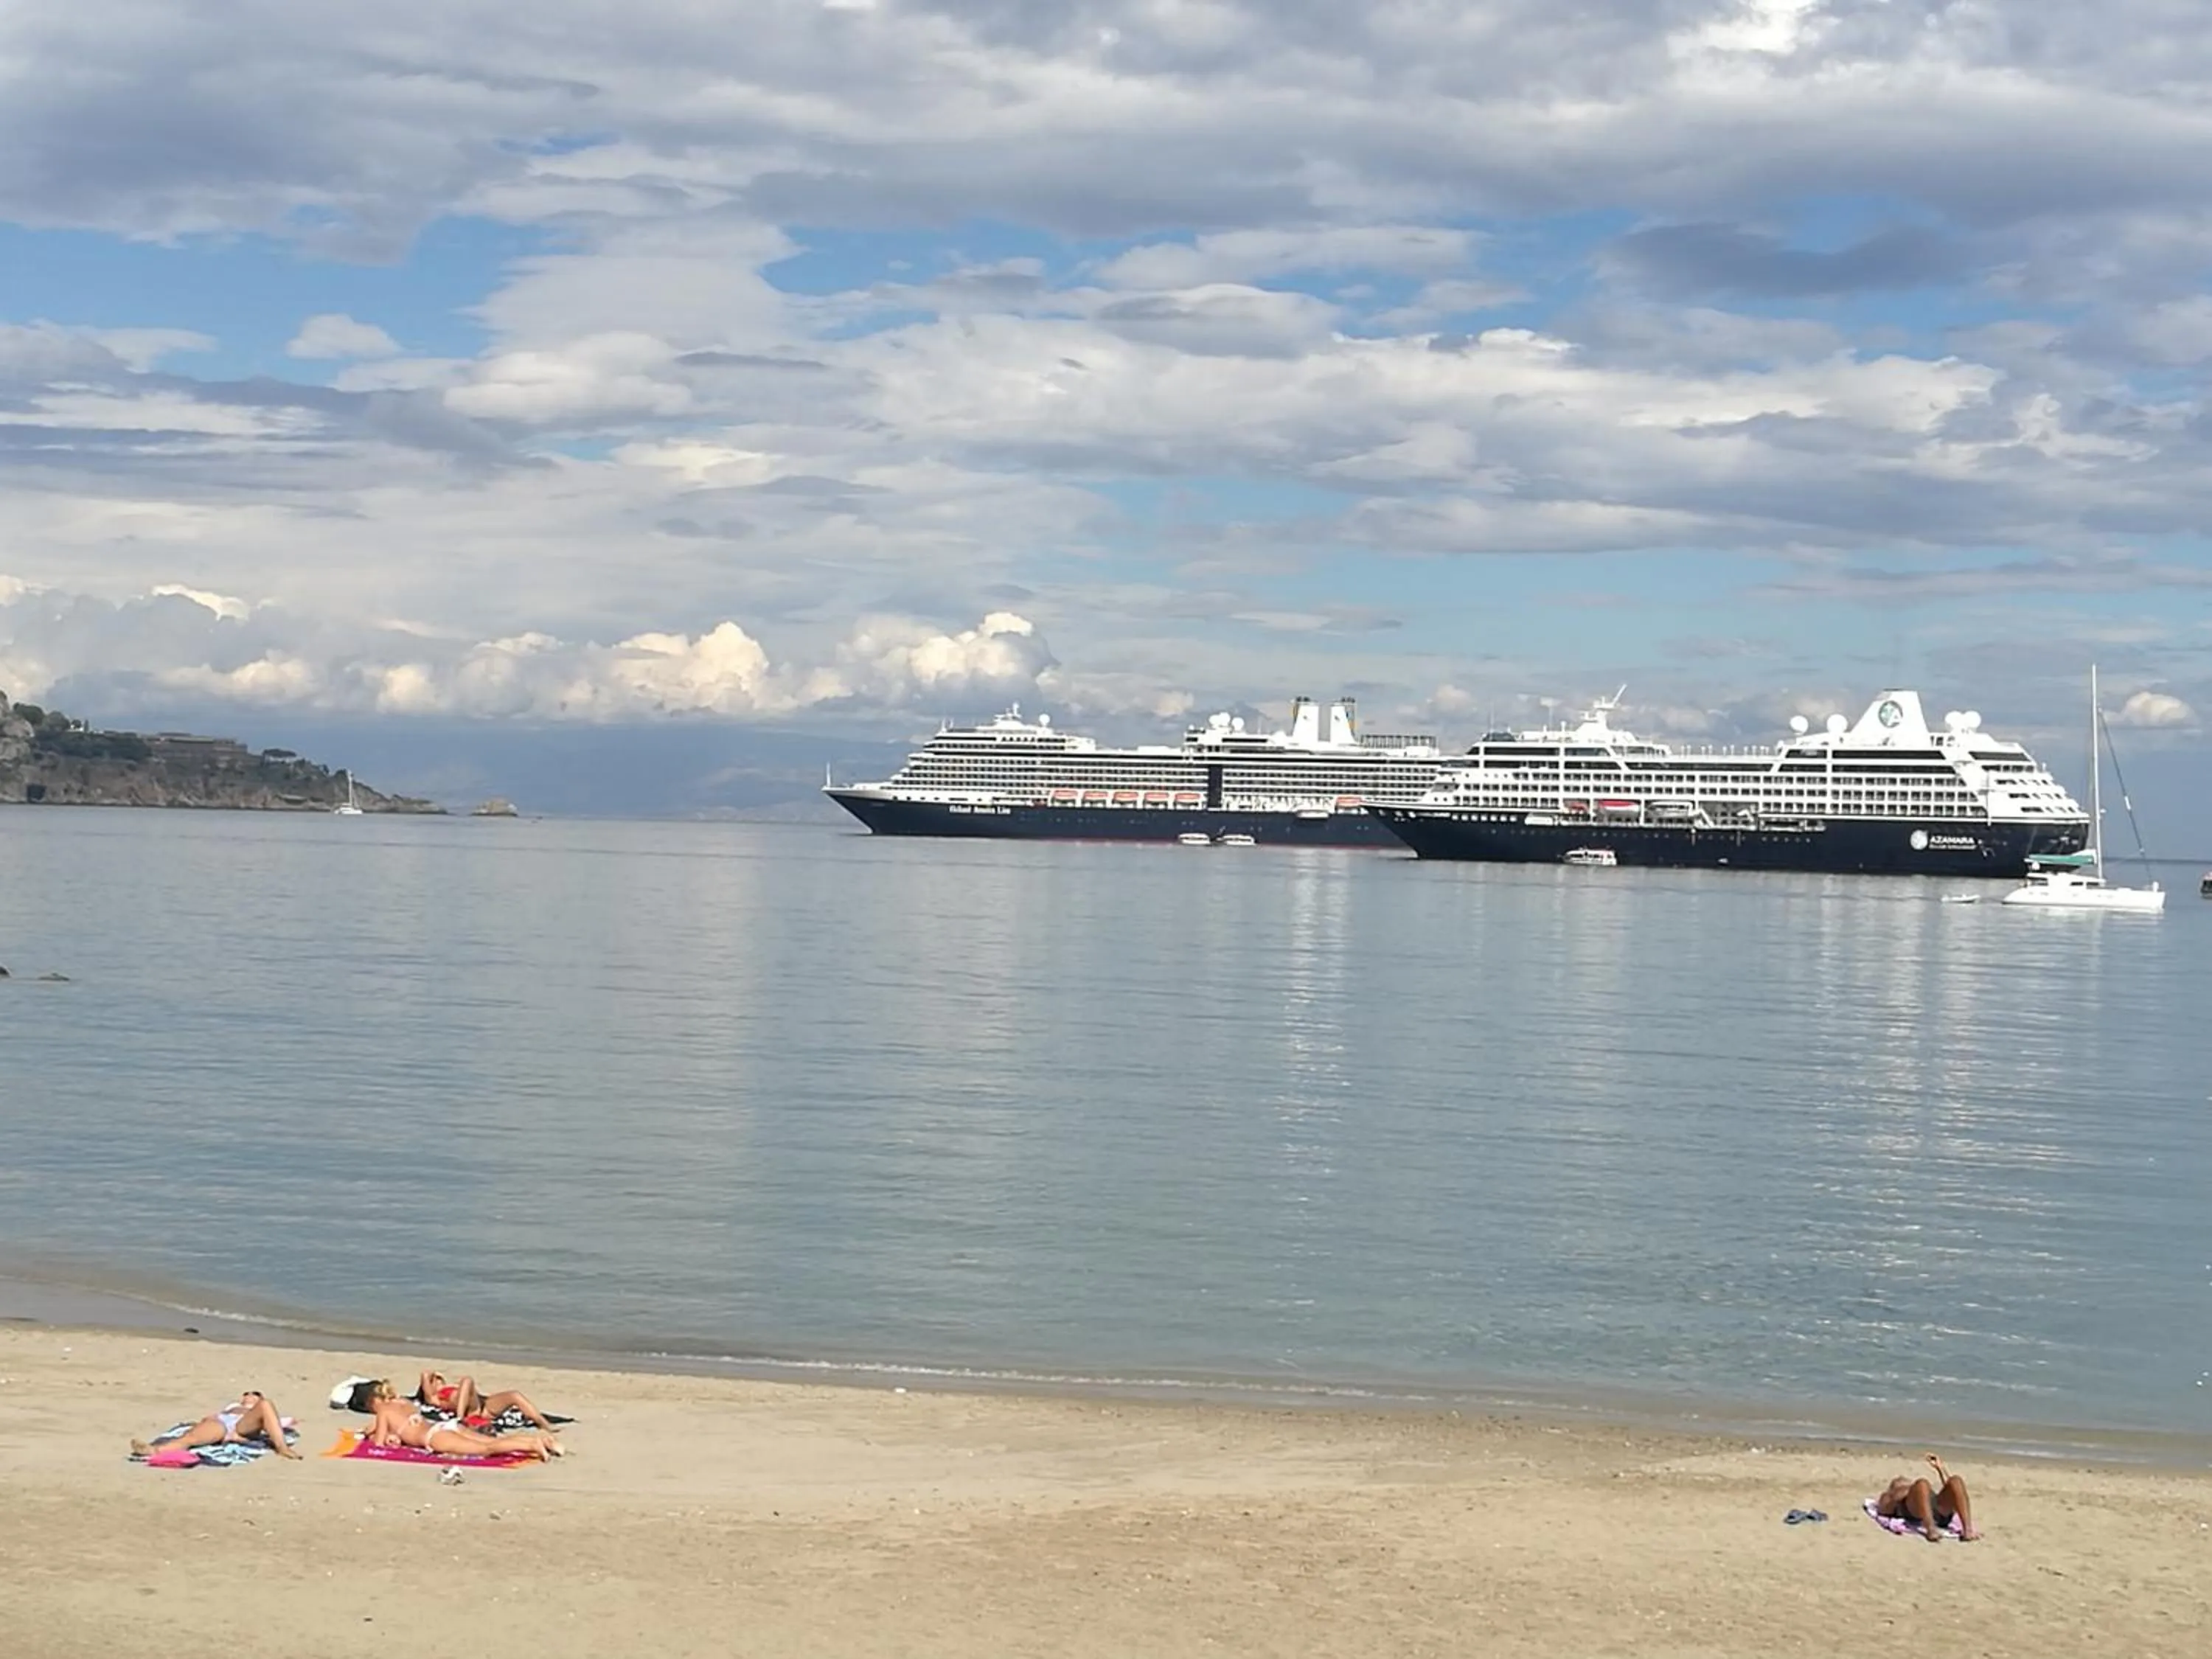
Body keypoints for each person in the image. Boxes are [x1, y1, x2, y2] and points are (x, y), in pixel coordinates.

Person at [353, 1377, 565, 1461]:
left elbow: (379, 1445)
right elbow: (405, 1425)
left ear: (374, 1402)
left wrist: (374, 1436)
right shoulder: (403, 1403)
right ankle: (543, 1442)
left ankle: (535, 1445)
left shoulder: (384, 1412)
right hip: (445, 1426)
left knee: (486, 1450)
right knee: (489, 1442)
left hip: (435, 1437)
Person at [131, 1389, 302, 1461]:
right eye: (246, 1394)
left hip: (243, 1426)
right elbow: (210, 1418)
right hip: (222, 1422)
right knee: (191, 1438)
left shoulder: (261, 1408)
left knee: (268, 1405)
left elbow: (278, 1423)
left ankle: (282, 1448)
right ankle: (154, 1451)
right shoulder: (231, 1407)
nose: (249, 1396)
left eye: (254, 1394)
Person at [412, 1368, 560, 1431]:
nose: (437, 1380)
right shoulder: (435, 1398)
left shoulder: (451, 1389)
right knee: (467, 1380)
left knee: (514, 1395)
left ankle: (544, 1424)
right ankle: (459, 1418)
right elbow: (425, 1374)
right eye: (435, 1381)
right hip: (469, 1410)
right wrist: (432, 1376)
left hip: (482, 1405)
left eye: (439, 1379)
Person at [1876, 1453, 1980, 1541]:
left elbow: (1951, 1489)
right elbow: (1883, 1510)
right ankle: (1931, 1529)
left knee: (1956, 1481)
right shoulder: (1896, 1493)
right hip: (1915, 1511)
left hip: (1934, 1507)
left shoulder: (1916, 1490)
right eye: (1901, 1480)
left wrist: (1940, 1469)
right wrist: (1895, 1500)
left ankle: (1967, 1530)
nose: (1903, 1479)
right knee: (1922, 1483)